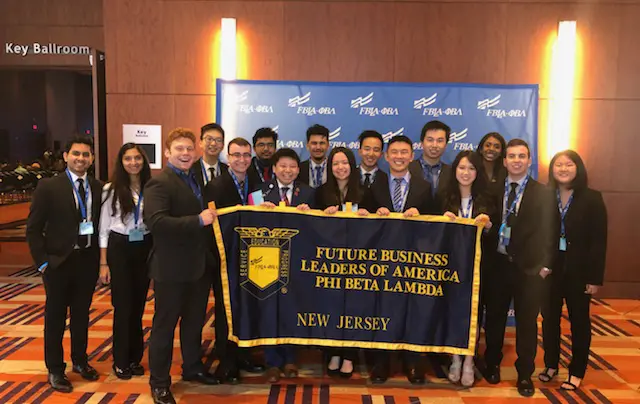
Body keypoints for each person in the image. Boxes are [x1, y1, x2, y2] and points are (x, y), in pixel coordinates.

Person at [145, 128, 219, 404]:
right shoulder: (159, 183)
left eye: (189, 149)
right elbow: (157, 223)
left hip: (197, 268)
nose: (186, 153)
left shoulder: (195, 178)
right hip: (171, 269)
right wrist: (198, 220)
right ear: (167, 152)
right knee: (164, 327)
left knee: (193, 324)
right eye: (179, 149)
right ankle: (160, 383)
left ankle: (192, 368)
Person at [26, 135, 103, 393]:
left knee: (82, 316)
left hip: (87, 261)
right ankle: (56, 369)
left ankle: (80, 361)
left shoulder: (98, 186)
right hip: (58, 263)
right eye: (76, 154)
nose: (81, 158)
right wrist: (43, 264)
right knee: (56, 318)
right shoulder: (49, 186)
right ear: (66, 156)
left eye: (86, 155)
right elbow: (33, 229)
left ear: (91, 159)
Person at [482, 139, 557, 397]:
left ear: (529, 160)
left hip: (530, 269)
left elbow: (551, 231)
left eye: (521, 156)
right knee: (494, 320)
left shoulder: (544, 192)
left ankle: (525, 373)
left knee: (526, 323)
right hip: (497, 265)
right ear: (504, 161)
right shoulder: (491, 189)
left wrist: (546, 265)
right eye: (511, 156)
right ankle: (491, 363)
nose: (516, 160)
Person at [359, 135, 434, 385]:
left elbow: (436, 227)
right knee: (383, 310)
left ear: (411, 157)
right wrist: (371, 214)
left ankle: (413, 362)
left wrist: (420, 215)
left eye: (404, 152)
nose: (399, 157)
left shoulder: (424, 187)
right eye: (394, 153)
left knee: (413, 311)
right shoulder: (375, 185)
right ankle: (382, 362)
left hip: (414, 263)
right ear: (386, 156)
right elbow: (363, 220)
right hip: (382, 262)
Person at [539, 150, 607, 391]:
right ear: (552, 169)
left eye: (569, 165)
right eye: (559, 165)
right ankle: (550, 364)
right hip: (550, 270)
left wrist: (594, 278)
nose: (563, 169)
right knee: (549, 321)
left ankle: (577, 370)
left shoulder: (592, 198)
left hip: (580, 272)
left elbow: (599, 241)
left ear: (578, 168)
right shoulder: (545, 196)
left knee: (579, 321)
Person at [205, 137, 264, 384]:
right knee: (225, 309)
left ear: (251, 158)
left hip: (252, 258)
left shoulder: (257, 183)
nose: (241, 160)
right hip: (225, 258)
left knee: (247, 307)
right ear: (228, 157)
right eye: (236, 155)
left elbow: (261, 215)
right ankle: (226, 362)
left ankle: (243, 355)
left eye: (245, 155)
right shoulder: (216, 186)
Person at [440, 151, 496, 387]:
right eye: (462, 168)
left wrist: (489, 226)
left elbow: (497, 240)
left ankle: (470, 360)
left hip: (478, 268)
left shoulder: (487, 199)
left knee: (474, 312)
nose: (466, 173)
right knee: (453, 312)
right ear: (455, 171)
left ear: (478, 172)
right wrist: (442, 222)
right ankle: (454, 358)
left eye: (471, 168)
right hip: (450, 267)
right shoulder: (444, 198)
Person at [259, 148, 315, 383]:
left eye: (292, 166)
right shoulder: (260, 193)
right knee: (270, 310)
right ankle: (272, 361)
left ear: (298, 169)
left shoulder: (309, 194)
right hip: (268, 263)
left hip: (298, 262)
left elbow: (318, 228)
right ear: (274, 169)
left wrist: (310, 214)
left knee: (293, 308)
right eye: (282, 166)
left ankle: (291, 358)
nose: (287, 170)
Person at [98, 143, 152, 380]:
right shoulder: (111, 189)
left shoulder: (151, 187)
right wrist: (103, 263)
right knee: (123, 307)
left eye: (137, 158)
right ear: (121, 162)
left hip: (144, 247)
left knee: (139, 307)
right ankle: (120, 360)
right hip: (119, 248)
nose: (133, 163)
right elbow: (103, 228)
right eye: (128, 158)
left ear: (143, 160)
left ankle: (134, 357)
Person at [315, 147, 368, 378]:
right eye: (335, 163)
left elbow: (380, 223)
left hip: (358, 263)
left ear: (352, 165)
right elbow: (311, 226)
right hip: (330, 263)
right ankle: (333, 352)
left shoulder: (366, 191)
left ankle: (350, 355)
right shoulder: (320, 193)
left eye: (345, 163)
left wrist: (371, 215)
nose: (340, 167)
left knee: (354, 309)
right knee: (332, 308)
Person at [408, 120, 452, 201]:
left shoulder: (452, 172)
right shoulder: (408, 169)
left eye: (440, 141)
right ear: (422, 142)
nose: (434, 145)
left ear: (446, 144)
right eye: (430, 140)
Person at [191, 123, 228, 189]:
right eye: (209, 139)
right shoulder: (190, 170)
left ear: (223, 145)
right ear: (200, 143)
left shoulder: (228, 171)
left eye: (218, 140)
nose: (213, 143)